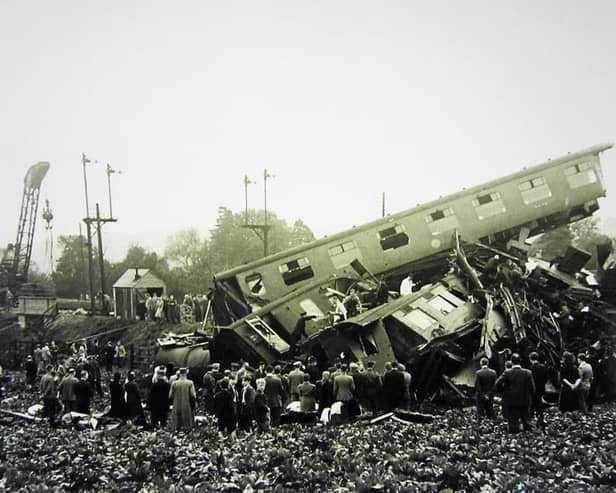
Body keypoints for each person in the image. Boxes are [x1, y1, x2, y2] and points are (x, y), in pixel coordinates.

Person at [495, 353, 535, 433]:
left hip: (511, 401)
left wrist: (503, 392)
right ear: (520, 361)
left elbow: (497, 384)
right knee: (527, 422)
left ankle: (514, 440)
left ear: (512, 361)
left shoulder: (507, 373)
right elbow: (532, 388)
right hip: (524, 401)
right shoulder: (528, 373)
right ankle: (528, 440)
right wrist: (529, 396)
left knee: (513, 424)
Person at [529, 352, 548, 428]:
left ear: (531, 359)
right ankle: (540, 415)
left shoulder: (530, 368)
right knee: (539, 401)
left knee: (532, 402)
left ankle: (532, 417)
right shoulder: (543, 367)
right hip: (541, 387)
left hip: (533, 388)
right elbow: (546, 377)